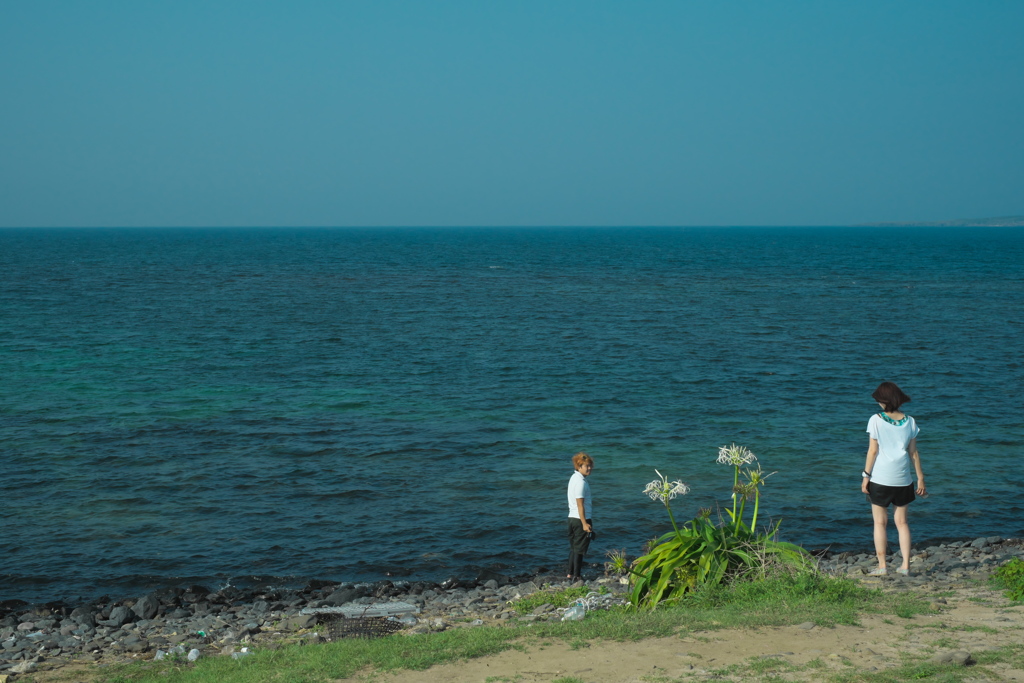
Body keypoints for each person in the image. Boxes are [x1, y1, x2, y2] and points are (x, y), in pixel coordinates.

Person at [861, 381, 927, 575]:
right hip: (903, 478)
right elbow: (913, 453)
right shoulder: (910, 421)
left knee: (880, 523)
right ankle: (905, 566)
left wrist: (866, 476)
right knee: (902, 523)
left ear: (884, 400)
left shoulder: (875, 419)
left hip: (881, 478)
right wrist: (921, 479)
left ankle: (883, 567)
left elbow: (872, 451)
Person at [566, 452, 594, 581]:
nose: (589, 468)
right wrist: (584, 523)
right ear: (579, 466)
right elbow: (580, 504)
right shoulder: (581, 482)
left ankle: (570, 573)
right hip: (580, 519)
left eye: (590, 466)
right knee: (579, 550)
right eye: (586, 466)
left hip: (572, 518)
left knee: (574, 548)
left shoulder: (574, 478)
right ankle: (576, 576)